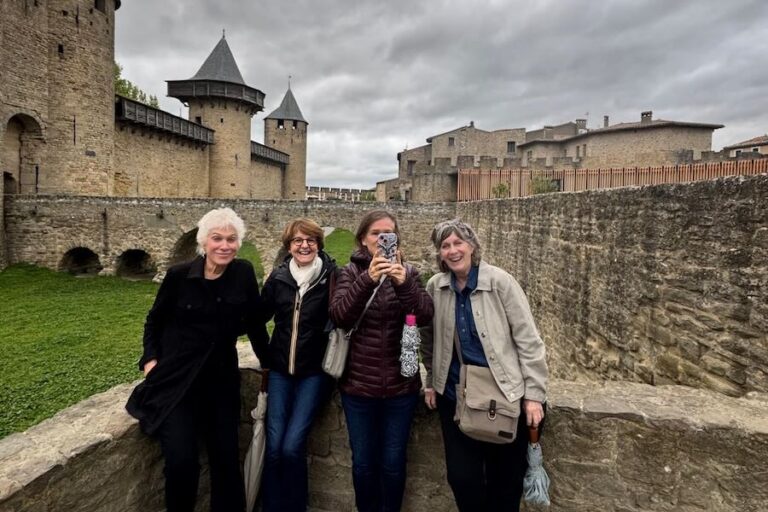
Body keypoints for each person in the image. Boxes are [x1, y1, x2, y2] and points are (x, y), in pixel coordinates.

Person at [125, 207, 268, 512]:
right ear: (204, 241)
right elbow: (154, 321)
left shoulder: (243, 273)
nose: (224, 245)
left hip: (220, 383)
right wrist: (150, 360)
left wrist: (268, 362)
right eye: (217, 238)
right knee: (181, 462)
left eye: (231, 239)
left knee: (225, 461)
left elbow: (255, 323)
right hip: (178, 383)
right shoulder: (179, 276)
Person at [421, 219, 548, 512]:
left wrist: (534, 395)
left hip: (504, 394)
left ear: (472, 246)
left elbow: (528, 340)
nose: (453, 251)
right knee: (462, 479)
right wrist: (430, 381)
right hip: (456, 395)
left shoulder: (500, 282)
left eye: (458, 243)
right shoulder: (436, 286)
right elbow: (428, 339)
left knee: (506, 482)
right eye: (445, 246)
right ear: (439, 254)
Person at [330, 210, 434, 512]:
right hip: (359, 387)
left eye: (388, 233)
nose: (382, 239)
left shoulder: (409, 272)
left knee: (393, 463)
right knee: (363, 464)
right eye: (376, 233)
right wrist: (368, 279)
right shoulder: (350, 272)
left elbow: (425, 315)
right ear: (363, 239)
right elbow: (339, 316)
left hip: (401, 387)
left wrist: (404, 284)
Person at [259, 218, 337, 512]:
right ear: (289, 246)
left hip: (314, 373)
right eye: (297, 241)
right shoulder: (279, 278)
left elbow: (345, 314)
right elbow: (257, 318)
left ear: (318, 244)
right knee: (274, 448)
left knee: (292, 447)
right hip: (280, 371)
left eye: (310, 240)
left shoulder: (332, 277)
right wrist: (265, 356)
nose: (304, 246)